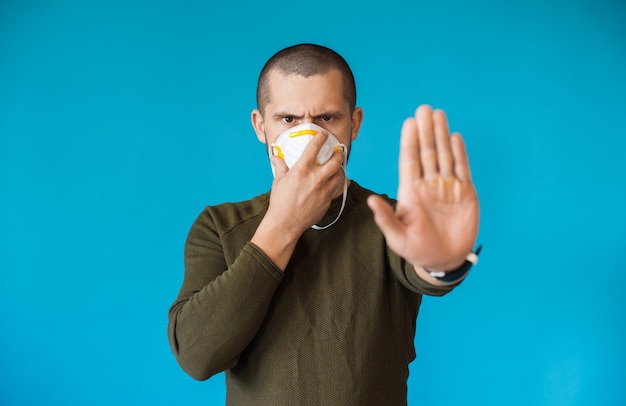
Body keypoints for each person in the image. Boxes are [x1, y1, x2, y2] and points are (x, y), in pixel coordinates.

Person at [168, 43, 480, 405]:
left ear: (355, 123)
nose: (309, 137)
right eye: (287, 120)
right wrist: (283, 225)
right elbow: (196, 355)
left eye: (326, 118)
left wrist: (443, 259)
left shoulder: (394, 221)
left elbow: (425, 268)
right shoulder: (220, 226)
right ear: (260, 126)